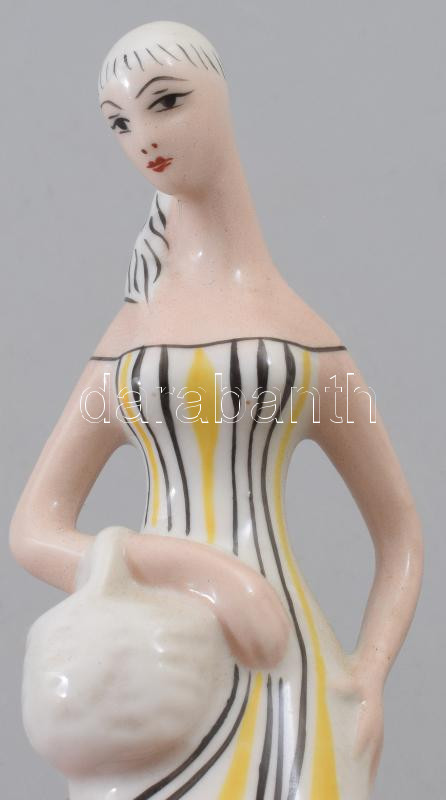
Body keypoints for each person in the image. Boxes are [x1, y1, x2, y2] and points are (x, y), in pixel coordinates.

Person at [10, 21, 423, 800]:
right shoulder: (130, 339)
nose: (142, 137)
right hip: (153, 675)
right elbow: (32, 529)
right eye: (119, 121)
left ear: (221, 101)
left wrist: (369, 675)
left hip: (290, 682)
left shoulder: (303, 337)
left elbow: (399, 533)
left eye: (166, 102)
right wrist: (197, 570)